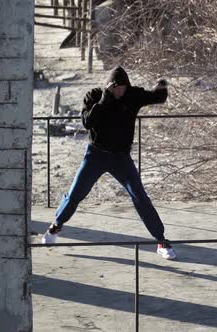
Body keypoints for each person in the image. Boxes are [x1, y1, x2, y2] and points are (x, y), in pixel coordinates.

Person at [41, 66, 176, 260]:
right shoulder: (94, 96)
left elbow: (157, 97)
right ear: (109, 86)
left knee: (140, 197)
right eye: (116, 88)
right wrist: (105, 99)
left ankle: (161, 240)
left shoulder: (132, 94)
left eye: (122, 88)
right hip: (95, 155)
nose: (120, 92)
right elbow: (87, 122)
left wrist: (162, 87)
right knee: (75, 194)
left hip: (121, 158)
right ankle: (56, 227)